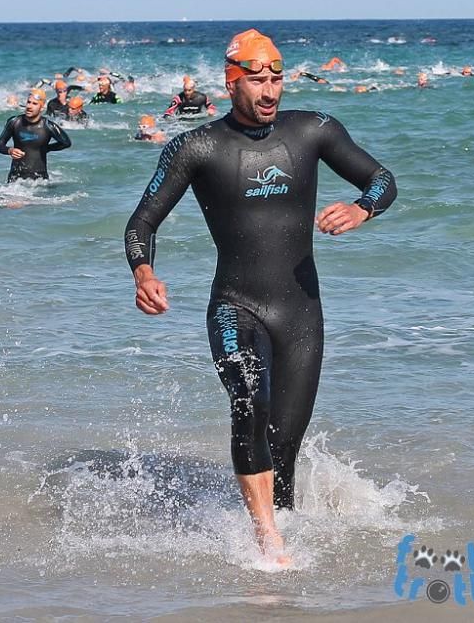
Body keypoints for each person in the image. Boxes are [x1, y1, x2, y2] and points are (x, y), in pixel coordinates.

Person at [123, 29, 396, 563]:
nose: (270, 90)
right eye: (257, 79)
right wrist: (143, 273)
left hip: (300, 311)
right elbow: (142, 221)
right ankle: (267, 543)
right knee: (249, 402)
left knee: (285, 442)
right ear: (231, 82)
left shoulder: (314, 130)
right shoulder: (196, 146)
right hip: (236, 305)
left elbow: (382, 179)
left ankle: (282, 534)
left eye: (277, 77)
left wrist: (364, 208)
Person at [0, 88, 71, 182]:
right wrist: (9, 150)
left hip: (39, 181)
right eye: (28, 102)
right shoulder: (14, 122)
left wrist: (46, 148)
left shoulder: (48, 126)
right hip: (15, 180)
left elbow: (66, 143)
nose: (29, 106)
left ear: (42, 107)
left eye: (34, 104)